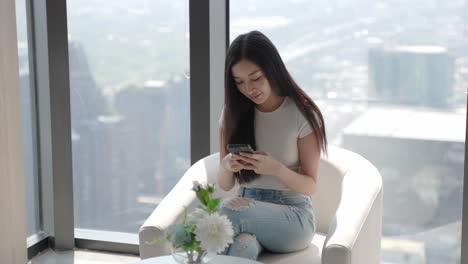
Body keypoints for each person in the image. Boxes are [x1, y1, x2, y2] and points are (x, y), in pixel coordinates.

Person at [217, 30, 328, 260]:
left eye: (256, 78)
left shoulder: (301, 113)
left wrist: (276, 169)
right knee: (242, 247)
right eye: (239, 82)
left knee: (228, 211)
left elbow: (310, 186)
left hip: (293, 216)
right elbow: (225, 184)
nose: (249, 89)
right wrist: (228, 166)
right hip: (247, 206)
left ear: (272, 68)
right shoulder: (232, 113)